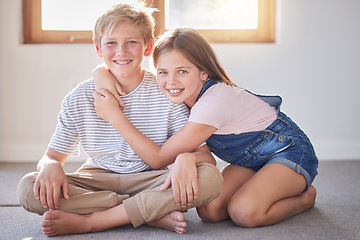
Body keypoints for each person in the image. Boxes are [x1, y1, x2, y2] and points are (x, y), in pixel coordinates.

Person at [17, 4, 223, 237]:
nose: (121, 52)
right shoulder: (78, 98)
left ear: (148, 46)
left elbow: (205, 157)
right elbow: (52, 155)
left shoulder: (166, 91)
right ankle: (146, 212)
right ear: (98, 48)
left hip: (150, 179)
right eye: (111, 43)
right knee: (28, 189)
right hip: (97, 178)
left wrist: (187, 158)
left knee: (210, 178)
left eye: (131, 42)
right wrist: (50, 165)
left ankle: (98, 219)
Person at [92, 27, 319, 228]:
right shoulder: (184, 94)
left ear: (204, 72)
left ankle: (305, 198)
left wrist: (115, 116)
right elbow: (132, 75)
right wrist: (99, 72)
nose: (170, 81)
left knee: (244, 212)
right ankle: (263, 184)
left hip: (288, 152)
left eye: (182, 71)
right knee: (210, 211)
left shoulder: (213, 102)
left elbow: (159, 158)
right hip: (250, 161)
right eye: (163, 72)